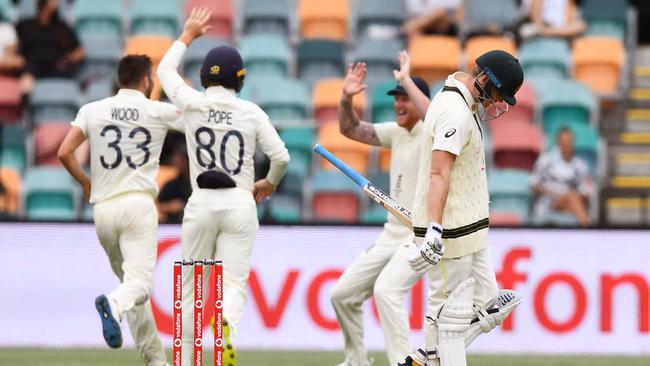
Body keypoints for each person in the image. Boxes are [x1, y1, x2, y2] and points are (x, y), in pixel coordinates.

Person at [157, 8, 290, 366]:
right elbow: (281, 157)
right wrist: (269, 183)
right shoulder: (252, 112)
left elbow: (164, 72)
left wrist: (187, 35)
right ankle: (226, 322)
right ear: (240, 79)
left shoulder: (192, 103)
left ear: (204, 78)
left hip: (200, 203)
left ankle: (186, 362)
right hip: (240, 202)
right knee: (233, 285)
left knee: (189, 293)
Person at [397, 50, 525, 366]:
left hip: (473, 229)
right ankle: (431, 355)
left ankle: (426, 358)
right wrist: (435, 230)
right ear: (484, 79)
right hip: (450, 233)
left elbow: (432, 117)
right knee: (447, 316)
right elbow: (439, 172)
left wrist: (406, 82)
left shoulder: (455, 98)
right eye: (497, 93)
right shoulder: (456, 111)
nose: (497, 102)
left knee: (489, 303)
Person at [57, 54, 184, 366]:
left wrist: (86, 183)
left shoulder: (92, 110)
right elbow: (195, 121)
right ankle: (112, 304)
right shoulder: (156, 110)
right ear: (145, 80)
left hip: (103, 213)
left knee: (132, 289)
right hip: (138, 208)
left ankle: (155, 360)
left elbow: (64, 152)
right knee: (137, 288)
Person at [330, 51, 431, 366]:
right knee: (341, 295)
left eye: (405, 98)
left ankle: (403, 362)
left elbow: (435, 115)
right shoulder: (396, 132)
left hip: (420, 235)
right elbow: (350, 130)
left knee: (387, 292)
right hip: (391, 233)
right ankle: (357, 359)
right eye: (396, 98)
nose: (399, 104)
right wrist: (346, 99)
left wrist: (406, 79)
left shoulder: (432, 131)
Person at [16, 0, 84, 91]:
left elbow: (80, 51)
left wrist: (69, 59)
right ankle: (25, 103)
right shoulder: (24, 26)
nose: (57, 4)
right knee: (26, 84)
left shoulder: (62, 27)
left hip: (56, 66)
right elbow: (12, 44)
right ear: (43, 5)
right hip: (31, 66)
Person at [530, 127, 593, 227]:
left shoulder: (580, 165)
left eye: (569, 142)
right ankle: (587, 230)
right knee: (573, 199)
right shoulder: (546, 161)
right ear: (558, 143)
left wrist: (575, 194)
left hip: (572, 201)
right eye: (563, 142)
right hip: (549, 200)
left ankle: (581, 224)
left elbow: (587, 189)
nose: (566, 145)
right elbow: (533, 184)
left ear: (573, 142)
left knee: (572, 199)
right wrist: (549, 191)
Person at [157, 144, 192, 224]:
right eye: (176, 159)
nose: (177, 162)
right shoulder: (172, 184)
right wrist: (169, 207)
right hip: (175, 225)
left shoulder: (199, 182)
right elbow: (158, 206)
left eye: (181, 159)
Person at [519, 0, 586, 40]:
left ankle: (542, 32)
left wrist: (543, 31)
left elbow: (580, 26)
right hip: (540, 22)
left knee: (580, 26)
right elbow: (534, 19)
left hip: (557, 28)